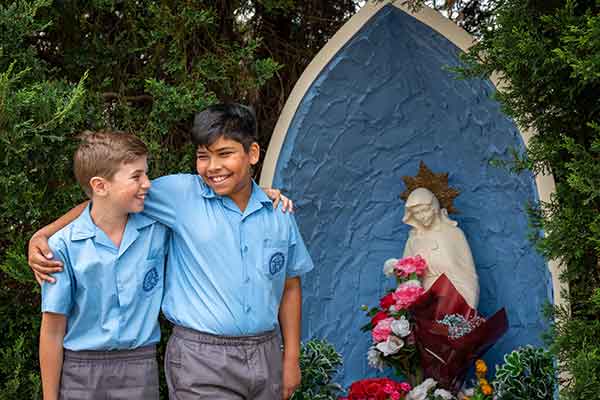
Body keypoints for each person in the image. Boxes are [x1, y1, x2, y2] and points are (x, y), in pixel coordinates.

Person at [30, 104, 312, 400]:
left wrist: (291, 357)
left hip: (265, 352)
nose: (213, 167)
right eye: (203, 156)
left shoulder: (279, 212)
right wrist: (44, 233)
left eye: (225, 154)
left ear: (252, 154)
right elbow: (104, 202)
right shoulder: (179, 195)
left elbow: (290, 285)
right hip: (201, 359)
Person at [39, 131, 169, 399]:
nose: (147, 183)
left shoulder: (159, 229)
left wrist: (258, 194)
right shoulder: (64, 246)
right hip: (81, 374)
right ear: (100, 186)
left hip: (140, 368)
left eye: (146, 173)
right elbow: (52, 330)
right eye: (136, 176)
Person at [402, 187, 479, 308]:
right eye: (417, 213)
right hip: (427, 300)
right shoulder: (413, 241)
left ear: (434, 208)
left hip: (457, 295)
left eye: (425, 210)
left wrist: (469, 306)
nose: (422, 216)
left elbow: (468, 271)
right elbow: (406, 279)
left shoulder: (454, 233)